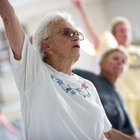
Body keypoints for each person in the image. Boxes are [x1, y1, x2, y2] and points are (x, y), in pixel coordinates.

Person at [0, 0, 135, 140]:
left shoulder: (88, 86)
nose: (76, 36)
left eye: (76, 33)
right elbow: (8, 15)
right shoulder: (35, 73)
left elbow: (108, 133)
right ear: (47, 46)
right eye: (67, 33)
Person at [71, 0, 140, 130]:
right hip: (126, 100)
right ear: (114, 34)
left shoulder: (137, 51)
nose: (126, 33)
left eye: (128, 30)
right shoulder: (111, 50)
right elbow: (94, 37)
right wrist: (82, 10)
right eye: (122, 30)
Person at [73, 47, 140, 140]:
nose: (120, 62)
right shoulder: (84, 76)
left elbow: (131, 133)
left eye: (123, 61)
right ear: (101, 64)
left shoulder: (119, 97)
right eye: (115, 58)